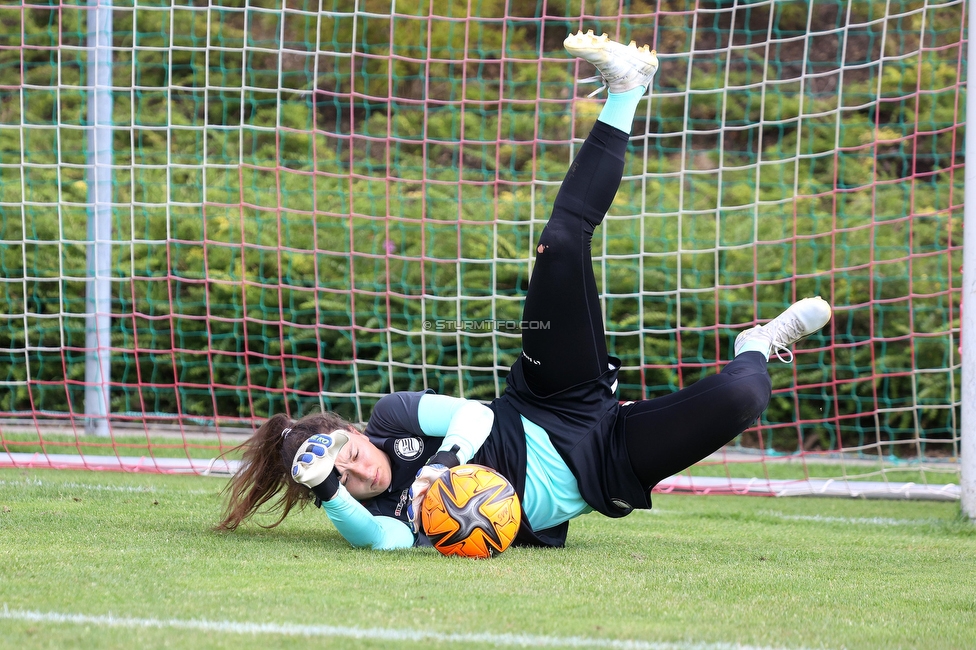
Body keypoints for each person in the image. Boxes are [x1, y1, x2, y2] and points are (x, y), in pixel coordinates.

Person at [215, 31, 832, 550]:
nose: (359, 469)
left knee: (561, 245)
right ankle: (759, 342)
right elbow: (387, 544)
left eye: (347, 453)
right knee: (742, 397)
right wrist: (326, 491)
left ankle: (626, 90)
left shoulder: (390, 417)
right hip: (605, 464)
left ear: (351, 431)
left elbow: (475, 415)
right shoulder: (374, 517)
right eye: (343, 478)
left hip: (549, 402)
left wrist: (438, 467)